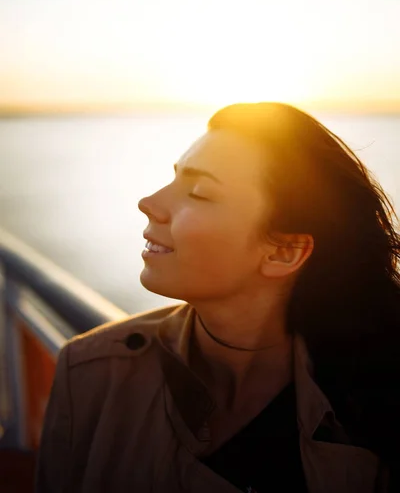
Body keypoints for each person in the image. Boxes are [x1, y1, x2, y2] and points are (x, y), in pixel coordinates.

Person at [35, 102, 400, 493]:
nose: (149, 203)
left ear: (283, 252)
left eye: (198, 192)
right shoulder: (91, 373)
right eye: (172, 180)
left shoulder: (375, 397)